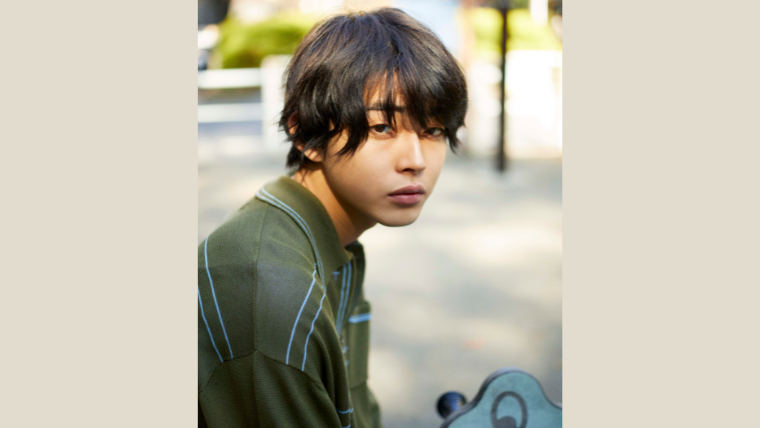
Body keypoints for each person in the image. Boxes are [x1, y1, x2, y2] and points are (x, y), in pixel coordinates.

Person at [198, 8, 468, 428]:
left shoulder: (324, 244)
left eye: (432, 130)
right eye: (382, 127)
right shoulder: (269, 290)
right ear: (306, 135)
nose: (416, 160)